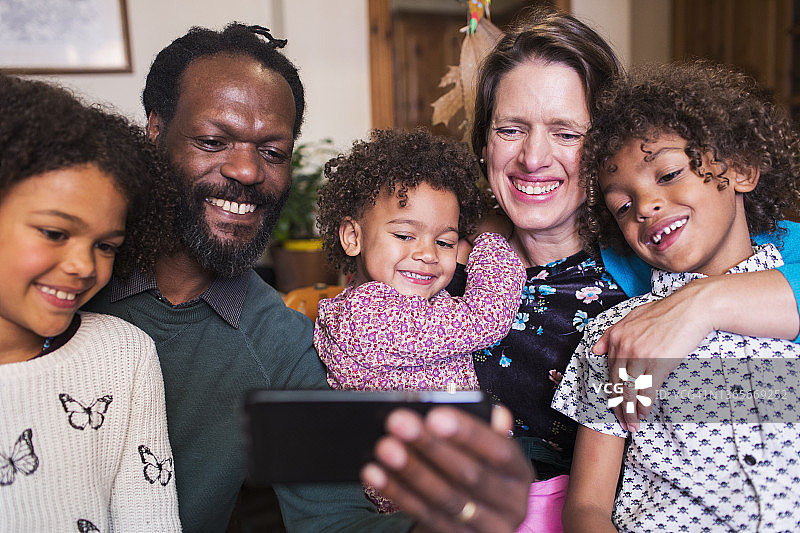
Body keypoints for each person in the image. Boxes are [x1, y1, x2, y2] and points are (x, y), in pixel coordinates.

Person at [85, 23, 532, 533]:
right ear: (156, 130)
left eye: (273, 152)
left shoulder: (284, 343)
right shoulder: (68, 282)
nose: (248, 171)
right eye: (213, 141)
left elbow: (333, 519)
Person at [447, 7, 800, 531]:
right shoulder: (451, 267)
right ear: (484, 146)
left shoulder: (664, 256)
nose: (533, 157)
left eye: (566, 133)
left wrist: (705, 301)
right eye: (511, 129)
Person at [553, 59, 800, 531]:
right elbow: (588, 505)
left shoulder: (789, 303)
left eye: (667, 175)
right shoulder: (620, 337)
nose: (645, 206)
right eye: (622, 206)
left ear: (742, 169)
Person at [0, 75, 181, 531]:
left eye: (106, 245)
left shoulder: (123, 355)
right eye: (55, 233)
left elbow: (150, 518)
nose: (83, 265)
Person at [314, 128, 525, 512]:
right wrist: (492, 240)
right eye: (405, 235)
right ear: (352, 236)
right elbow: (487, 317)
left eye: (445, 241)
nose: (427, 253)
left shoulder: (380, 299)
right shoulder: (370, 316)